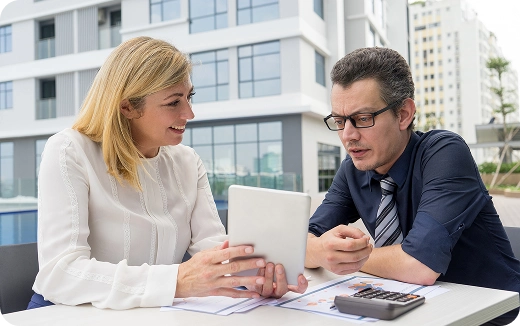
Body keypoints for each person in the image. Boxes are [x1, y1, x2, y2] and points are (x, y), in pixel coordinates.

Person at [29, 36, 307, 310]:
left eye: (189, 97)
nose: (189, 113)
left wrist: (254, 275)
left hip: (152, 313)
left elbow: (210, 245)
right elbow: (60, 273)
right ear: (127, 106)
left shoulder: (187, 161)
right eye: (174, 102)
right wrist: (176, 280)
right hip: (65, 313)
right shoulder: (69, 150)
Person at [305, 47, 520, 324]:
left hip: (494, 315)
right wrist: (321, 250)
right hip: (419, 313)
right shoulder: (353, 170)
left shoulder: (445, 152)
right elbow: (304, 239)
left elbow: (420, 265)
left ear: (404, 114)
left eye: (362, 119)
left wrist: (340, 256)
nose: (348, 135)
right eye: (339, 121)